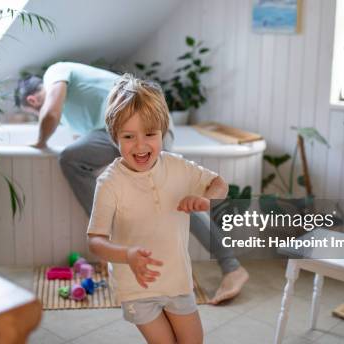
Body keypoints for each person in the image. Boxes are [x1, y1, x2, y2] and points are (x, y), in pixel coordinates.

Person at [16, 62, 248, 304]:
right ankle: (113, 240)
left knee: (176, 195)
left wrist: (40, 142)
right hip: (121, 130)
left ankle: (231, 266)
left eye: (33, 115)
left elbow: (50, 114)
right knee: (72, 159)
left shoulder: (54, 73)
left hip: (144, 121)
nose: (39, 117)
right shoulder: (74, 112)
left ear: (33, 101)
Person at [88, 74, 227, 342]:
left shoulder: (177, 167)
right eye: (129, 136)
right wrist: (127, 254)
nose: (140, 146)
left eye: (150, 134)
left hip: (177, 281)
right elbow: (95, 241)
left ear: (163, 131)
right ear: (114, 137)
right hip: (136, 287)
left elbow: (219, 183)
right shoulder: (109, 183)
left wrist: (207, 200)